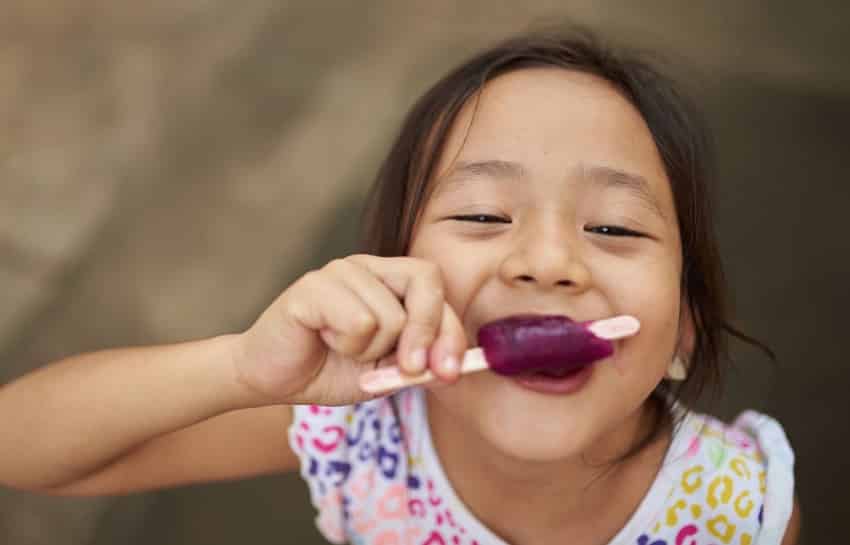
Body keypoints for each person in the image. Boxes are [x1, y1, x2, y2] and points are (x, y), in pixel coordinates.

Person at [0, 28, 800, 545]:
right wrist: (243, 367)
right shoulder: (359, 424)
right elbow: (21, 447)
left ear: (683, 332)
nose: (549, 261)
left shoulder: (745, 508)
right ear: (394, 280)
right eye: (485, 214)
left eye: (615, 228)